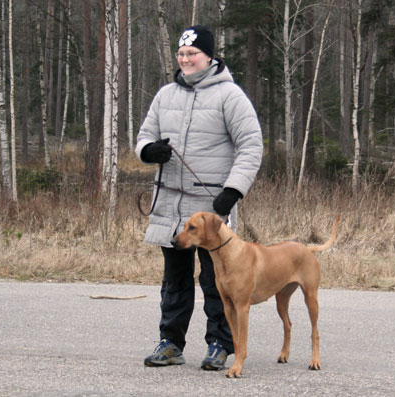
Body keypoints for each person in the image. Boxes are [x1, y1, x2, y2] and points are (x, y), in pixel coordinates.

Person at [135, 25, 263, 370]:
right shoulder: (165, 96)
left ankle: (220, 345)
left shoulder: (230, 96)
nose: (186, 59)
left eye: (192, 53)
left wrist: (232, 192)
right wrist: (150, 150)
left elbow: (251, 146)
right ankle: (170, 343)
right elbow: (144, 135)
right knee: (174, 282)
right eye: (181, 54)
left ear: (208, 56)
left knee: (216, 281)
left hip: (211, 210)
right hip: (169, 206)